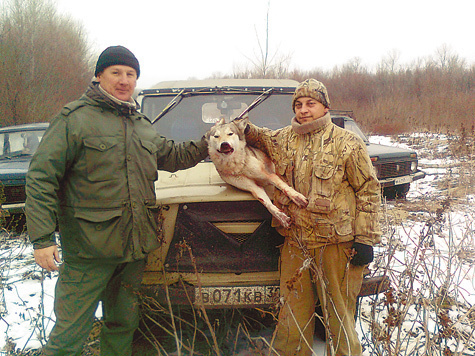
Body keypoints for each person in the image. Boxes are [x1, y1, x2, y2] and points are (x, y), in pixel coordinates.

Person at [25, 45, 209, 356]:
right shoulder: (74, 119)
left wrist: (211, 142)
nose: (124, 80)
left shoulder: (139, 124)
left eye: (130, 74)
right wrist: (42, 238)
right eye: (116, 72)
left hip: (133, 250)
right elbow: (42, 177)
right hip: (89, 250)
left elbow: (173, 156)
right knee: (69, 334)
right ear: (99, 76)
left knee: (122, 323)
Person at [244, 79, 381, 356]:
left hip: (337, 244)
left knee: (339, 318)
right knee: (291, 319)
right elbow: (258, 136)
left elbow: (368, 190)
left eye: (311, 103)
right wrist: (241, 128)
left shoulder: (347, 142)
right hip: (295, 244)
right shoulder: (282, 138)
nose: (304, 110)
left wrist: (366, 239)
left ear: (325, 106)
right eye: (298, 104)